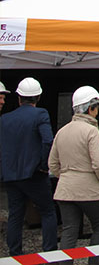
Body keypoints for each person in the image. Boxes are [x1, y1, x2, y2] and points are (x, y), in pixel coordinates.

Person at [48, 86, 99, 265]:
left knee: (69, 230)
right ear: (91, 108)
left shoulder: (62, 131)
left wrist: (66, 176)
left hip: (65, 189)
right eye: (97, 106)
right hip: (89, 189)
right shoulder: (91, 130)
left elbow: (52, 164)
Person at [0, 77, 57, 256]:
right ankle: (49, 252)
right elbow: (48, 141)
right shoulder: (41, 114)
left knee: (16, 215)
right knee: (48, 211)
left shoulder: (5, 119)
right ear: (38, 97)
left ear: (19, 98)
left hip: (11, 175)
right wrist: (43, 165)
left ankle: (15, 253)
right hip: (34, 174)